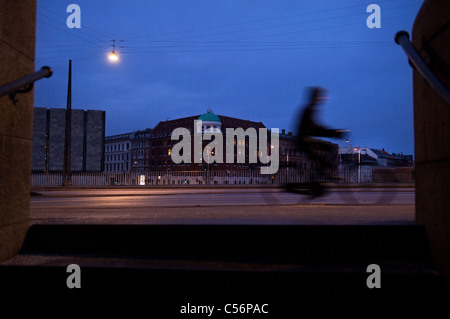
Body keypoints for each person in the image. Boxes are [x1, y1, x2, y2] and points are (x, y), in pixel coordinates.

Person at [295, 87, 347, 176]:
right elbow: (314, 129)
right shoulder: (309, 110)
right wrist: (333, 133)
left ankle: (320, 173)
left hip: (304, 140)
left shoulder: (309, 109)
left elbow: (315, 128)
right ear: (316, 97)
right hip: (304, 141)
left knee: (323, 154)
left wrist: (331, 133)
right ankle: (321, 173)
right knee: (329, 149)